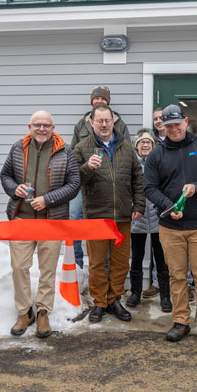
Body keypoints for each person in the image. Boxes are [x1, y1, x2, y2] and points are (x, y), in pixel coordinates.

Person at [143, 104, 197, 346]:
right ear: (162, 127)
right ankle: (181, 322)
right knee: (176, 276)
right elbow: (149, 188)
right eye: (168, 126)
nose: (174, 129)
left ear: (186, 121)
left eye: (177, 124)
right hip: (171, 227)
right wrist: (169, 207)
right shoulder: (156, 154)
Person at [0, 110, 80, 338]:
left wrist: (48, 199)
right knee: (19, 268)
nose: (42, 129)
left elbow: (74, 184)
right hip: (21, 218)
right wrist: (13, 189)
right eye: (38, 125)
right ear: (30, 127)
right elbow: (5, 175)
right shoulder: (18, 148)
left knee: (47, 269)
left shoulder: (65, 151)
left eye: (46, 125)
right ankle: (25, 312)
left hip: (51, 221)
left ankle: (43, 311)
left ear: (53, 128)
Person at [74, 105, 144, 323]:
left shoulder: (126, 146)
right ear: (92, 123)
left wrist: (139, 205)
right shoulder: (82, 147)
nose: (104, 125)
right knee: (96, 263)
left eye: (107, 120)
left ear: (113, 121)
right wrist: (87, 167)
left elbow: (137, 178)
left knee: (120, 262)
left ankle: (114, 299)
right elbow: (74, 180)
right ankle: (99, 302)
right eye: (99, 121)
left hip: (123, 215)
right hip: (96, 216)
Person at [70, 87, 125, 267]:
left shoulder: (119, 123)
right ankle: (77, 265)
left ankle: (107, 267)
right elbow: (72, 153)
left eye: (103, 98)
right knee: (75, 218)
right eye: (96, 98)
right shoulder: (81, 124)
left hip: (107, 184)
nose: (99, 101)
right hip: (83, 180)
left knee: (107, 224)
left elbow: (126, 150)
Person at [128, 129, 168, 311]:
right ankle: (135, 293)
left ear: (153, 145)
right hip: (138, 216)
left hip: (158, 216)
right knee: (136, 257)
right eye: (142, 142)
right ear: (137, 146)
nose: (145, 145)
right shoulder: (131, 165)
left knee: (161, 258)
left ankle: (166, 295)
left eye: (148, 142)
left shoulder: (160, 162)